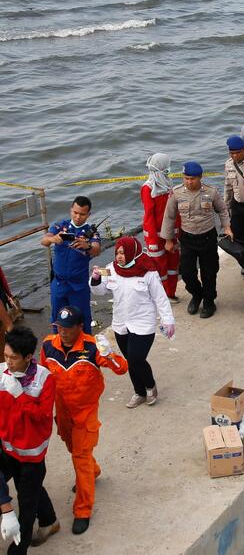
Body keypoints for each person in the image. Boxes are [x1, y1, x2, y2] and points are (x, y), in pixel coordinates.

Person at [40, 306, 127, 535]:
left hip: (85, 413)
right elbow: (42, 376)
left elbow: (121, 369)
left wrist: (109, 354)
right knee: (74, 449)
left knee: (80, 456)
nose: (63, 332)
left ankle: (83, 510)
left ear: (80, 327)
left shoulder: (91, 348)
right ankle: (93, 470)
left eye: (68, 328)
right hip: (63, 413)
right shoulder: (48, 345)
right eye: (60, 327)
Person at [89, 237, 174, 409]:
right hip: (121, 323)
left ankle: (150, 386)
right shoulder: (111, 269)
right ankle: (139, 392)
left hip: (143, 323)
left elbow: (160, 298)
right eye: (117, 253)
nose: (119, 257)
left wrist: (168, 320)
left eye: (122, 253)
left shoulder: (148, 271)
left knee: (136, 358)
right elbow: (99, 291)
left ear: (132, 252)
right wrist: (96, 278)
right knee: (130, 360)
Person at [0, 326, 58, 555]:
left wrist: (20, 396)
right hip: (6, 449)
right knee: (29, 491)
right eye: (5, 356)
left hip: (32, 457)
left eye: (13, 358)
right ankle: (49, 520)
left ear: (27, 357)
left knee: (26, 511)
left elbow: (43, 416)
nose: (8, 362)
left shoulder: (44, 379)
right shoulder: (1, 374)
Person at [160, 162, 232, 319]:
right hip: (187, 238)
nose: (189, 181)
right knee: (186, 272)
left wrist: (226, 227)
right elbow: (169, 216)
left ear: (200, 177)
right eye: (186, 178)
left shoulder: (211, 192)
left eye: (192, 178)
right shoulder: (177, 194)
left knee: (209, 271)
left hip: (207, 237)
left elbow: (222, 209)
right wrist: (168, 239)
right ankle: (197, 294)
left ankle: (209, 301)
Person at [40, 196, 101, 334]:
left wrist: (87, 245)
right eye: (75, 212)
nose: (78, 217)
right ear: (71, 210)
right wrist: (52, 239)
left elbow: (97, 249)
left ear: (88, 215)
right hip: (59, 283)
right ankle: (57, 347)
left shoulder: (92, 232)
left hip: (79, 285)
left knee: (83, 318)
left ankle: (85, 348)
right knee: (57, 317)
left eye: (82, 214)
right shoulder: (60, 226)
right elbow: (44, 241)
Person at [140, 154, 180, 303]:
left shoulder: (168, 183)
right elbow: (149, 216)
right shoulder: (148, 188)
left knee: (173, 263)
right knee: (159, 267)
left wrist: (179, 230)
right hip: (155, 236)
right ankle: (161, 295)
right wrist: (152, 241)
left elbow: (175, 211)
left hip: (171, 232)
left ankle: (171, 292)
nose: (169, 170)